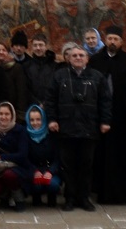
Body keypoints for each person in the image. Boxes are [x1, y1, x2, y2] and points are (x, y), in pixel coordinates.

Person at [45, 43, 112, 212]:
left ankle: (84, 198)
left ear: (87, 59)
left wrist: (105, 121)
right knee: (68, 166)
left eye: (81, 55)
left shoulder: (97, 77)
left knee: (86, 166)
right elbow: (50, 100)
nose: (78, 58)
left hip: (89, 128)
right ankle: (70, 197)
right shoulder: (59, 76)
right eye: (74, 55)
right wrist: (52, 119)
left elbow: (105, 101)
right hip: (66, 128)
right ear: (68, 58)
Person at [89, 25, 126, 204]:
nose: (112, 42)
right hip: (101, 117)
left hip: (124, 118)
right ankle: (101, 191)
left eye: (116, 39)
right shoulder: (95, 60)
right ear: (105, 39)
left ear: (122, 41)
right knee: (102, 155)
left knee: (124, 156)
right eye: (110, 38)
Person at [0, 101, 29, 211]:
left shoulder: (20, 130)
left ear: (12, 115)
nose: (3, 117)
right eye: (1, 114)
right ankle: (5, 196)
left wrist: (1, 157)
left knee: (9, 175)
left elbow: (23, 155)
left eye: (7, 114)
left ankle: (19, 198)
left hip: (17, 168)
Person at [21, 104, 61, 207]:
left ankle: (52, 198)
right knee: (36, 185)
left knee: (53, 184)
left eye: (38, 119)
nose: (35, 123)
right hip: (33, 171)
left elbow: (57, 158)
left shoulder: (51, 134)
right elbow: (24, 157)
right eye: (32, 120)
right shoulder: (25, 134)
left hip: (49, 169)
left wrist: (50, 171)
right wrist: (34, 171)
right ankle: (36, 198)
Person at [0, 41, 28, 121]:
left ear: (8, 52)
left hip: (13, 111)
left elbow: (21, 91)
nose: (1, 52)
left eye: (3, 50)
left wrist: (20, 113)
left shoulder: (16, 68)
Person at [22, 33, 59, 107]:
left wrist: (45, 103)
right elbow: (25, 88)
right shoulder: (26, 66)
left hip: (51, 105)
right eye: (35, 45)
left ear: (46, 46)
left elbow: (56, 87)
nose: (38, 48)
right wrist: (37, 103)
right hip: (32, 106)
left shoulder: (54, 66)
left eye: (41, 45)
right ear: (32, 47)